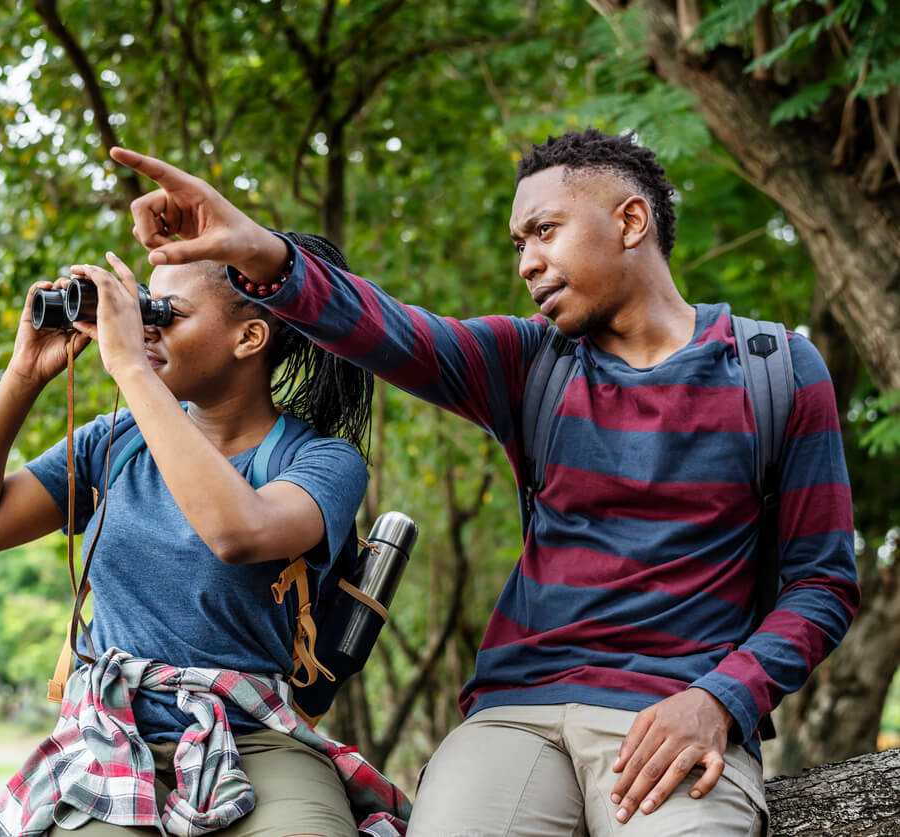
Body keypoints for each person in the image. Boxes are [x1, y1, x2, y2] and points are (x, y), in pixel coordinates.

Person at [107, 129, 860, 836]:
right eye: (518, 242)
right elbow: (390, 331)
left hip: (673, 711)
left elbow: (822, 585)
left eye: (545, 230)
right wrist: (263, 256)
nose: (527, 261)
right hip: (517, 713)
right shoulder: (529, 362)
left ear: (631, 221)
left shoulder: (776, 372)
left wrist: (721, 699)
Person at [0, 237, 411, 835]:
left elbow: (238, 532)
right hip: (113, 733)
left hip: (255, 737)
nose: (144, 329)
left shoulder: (321, 462)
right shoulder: (114, 445)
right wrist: (24, 373)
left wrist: (129, 364)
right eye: (142, 310)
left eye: (164, 315)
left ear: (248, 338)